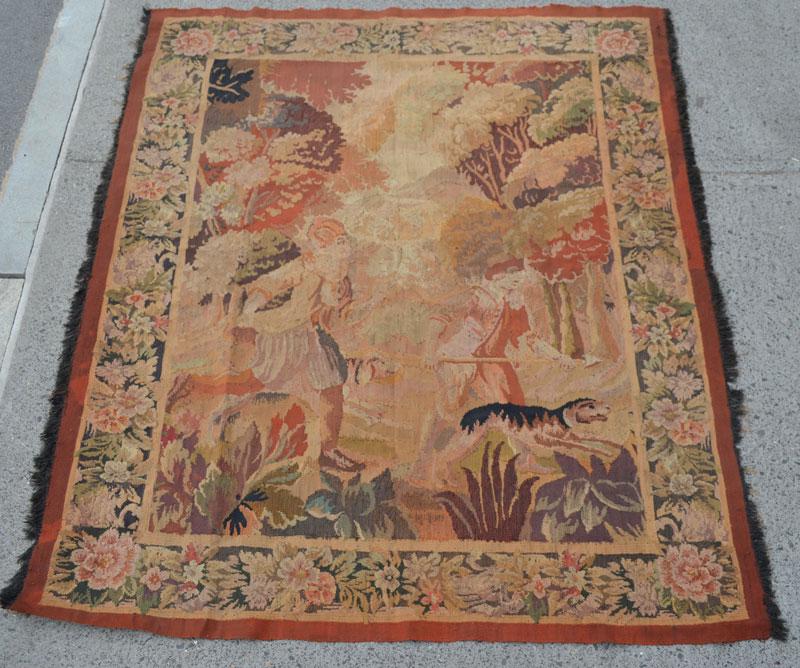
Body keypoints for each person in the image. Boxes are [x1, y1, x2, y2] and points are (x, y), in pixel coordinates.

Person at [180, 217, 362, 472]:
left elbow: (335, 308)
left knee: (332, 383)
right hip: (285, 332)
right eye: (338, 242)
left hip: (312, 333)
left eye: (344, 241)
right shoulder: (306, 265)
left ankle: (328, 450)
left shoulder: (339, 275)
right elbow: (273, 283)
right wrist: (251, 308)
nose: (344, 247)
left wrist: (344, 307)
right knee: (259, 383)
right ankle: (214, 414)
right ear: (323, 245)